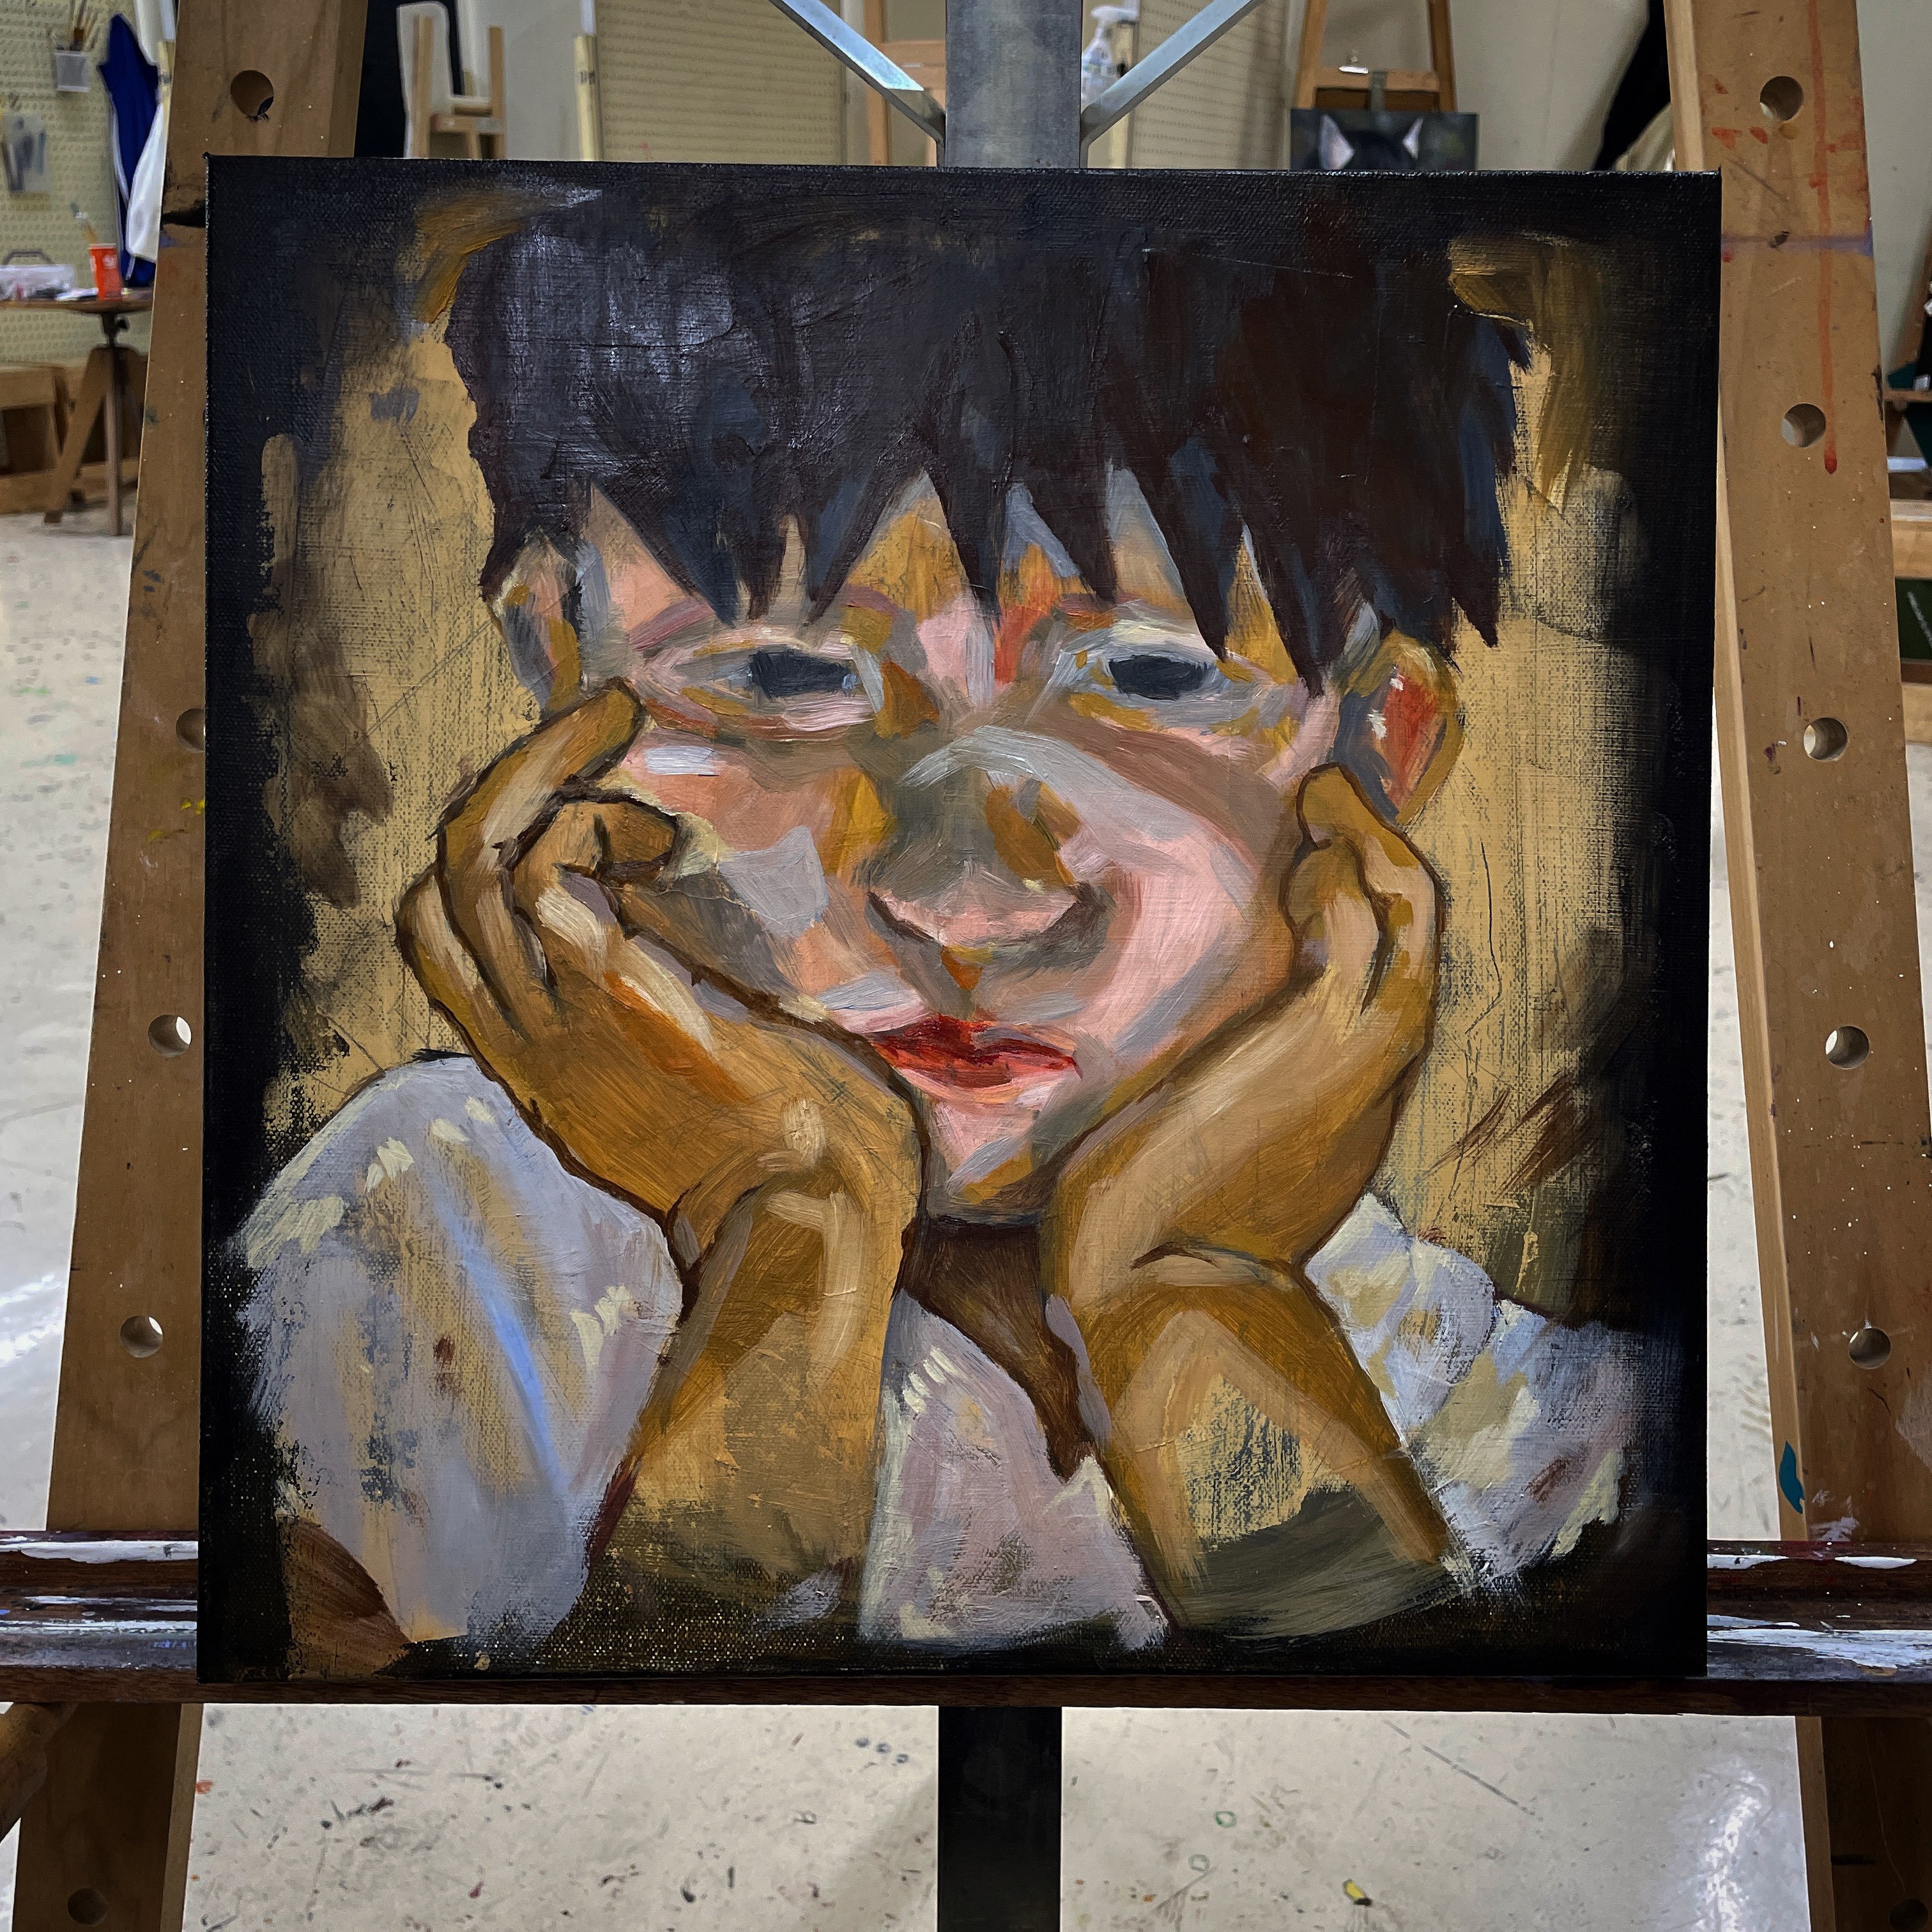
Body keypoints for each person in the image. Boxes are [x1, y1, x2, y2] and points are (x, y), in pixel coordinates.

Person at [237, 188, 1639, 1675]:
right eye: (782, 680)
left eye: (1154, 683)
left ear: (1382, 742)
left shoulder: (1548, 1451)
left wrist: (1186, 1290)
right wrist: (794, 1223)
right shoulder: (411, 1259)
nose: (968, 893)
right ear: (558, 671)